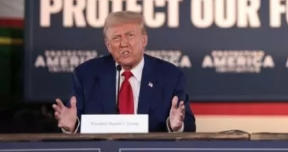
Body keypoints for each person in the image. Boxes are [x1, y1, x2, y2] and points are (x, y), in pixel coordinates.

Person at [52, 11, 196, 133]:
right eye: (116, 38)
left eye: (130, 35)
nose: (123, 43)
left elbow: (189, 125)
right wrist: (72, 127)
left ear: (144, 40)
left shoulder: (170, 76)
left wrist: (176, 126)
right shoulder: (86, 75)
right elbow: (73, 121)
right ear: (108, 46)